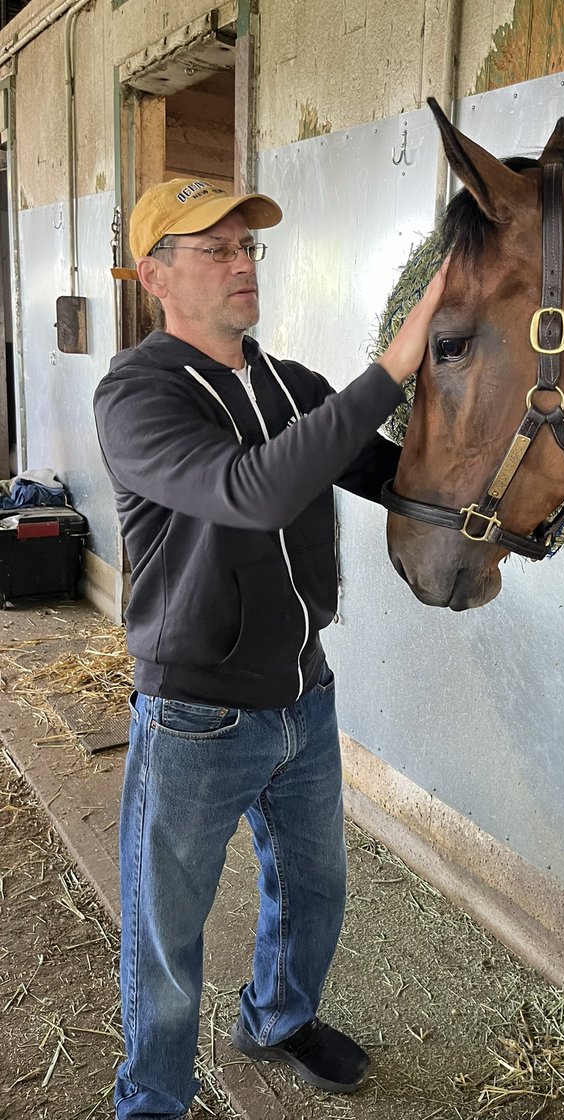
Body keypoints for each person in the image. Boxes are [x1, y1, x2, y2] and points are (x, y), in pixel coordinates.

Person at [93, 176, 446, 1119]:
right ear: (154, 276)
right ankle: (154, 1100)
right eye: (215, 248)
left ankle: (279, 1019)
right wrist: (393, 367)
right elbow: (250, 489)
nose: (242, 263)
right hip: (196, 714)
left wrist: (525, 478)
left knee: (314, 892)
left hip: (305, 695)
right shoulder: (136, 395)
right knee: (168, 930)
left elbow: (392, 471)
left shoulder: (292, 386)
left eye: (248, 247)